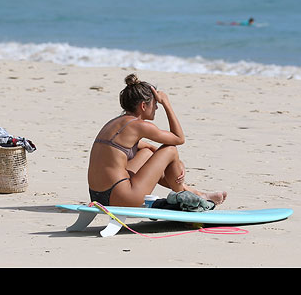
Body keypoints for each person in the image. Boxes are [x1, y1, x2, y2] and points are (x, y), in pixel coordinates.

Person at [87, 73, 227, 208]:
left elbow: (147, 147)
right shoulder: (138, 125)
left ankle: (195, 193)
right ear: (143, 106)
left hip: (98, 196)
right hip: (122, 197)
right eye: (155, 103)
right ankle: (185, 196)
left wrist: (176, 162)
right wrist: (166, 103)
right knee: (171, 149)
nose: (156, 107)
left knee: (147, 152)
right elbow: (178, 138)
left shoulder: (115, 124)